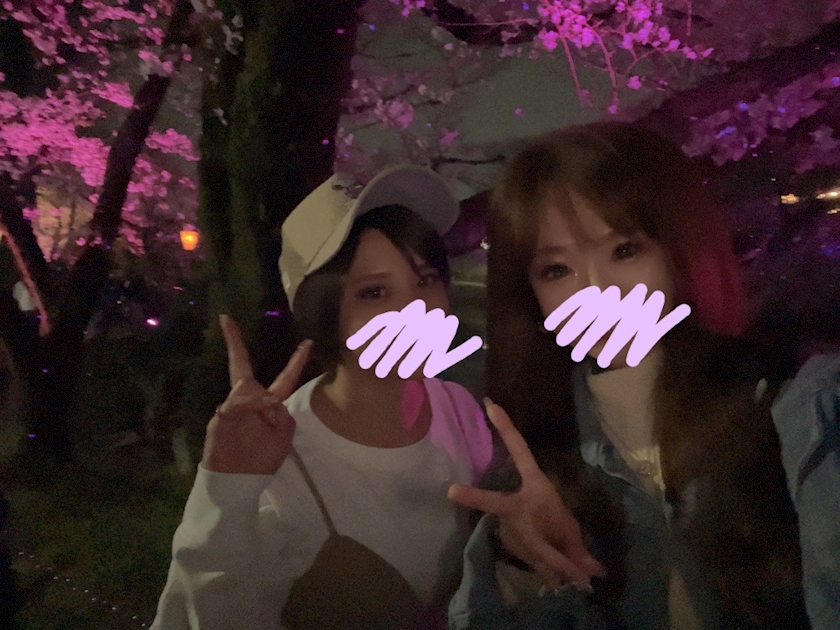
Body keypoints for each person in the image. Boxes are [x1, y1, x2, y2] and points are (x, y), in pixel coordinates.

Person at [446, 122, 836, 629]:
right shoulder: (532, 462)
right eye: (557, 270)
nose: (596, 291)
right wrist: (527, 574)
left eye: (624, 250)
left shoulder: (794, 404)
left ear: (677, 251)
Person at [151, 165, 493, 630]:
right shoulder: (276, 459)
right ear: (324, 313)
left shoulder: (456, 405)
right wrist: (226, 491)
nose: (416, 308)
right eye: (374, 292)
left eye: (426, 279)